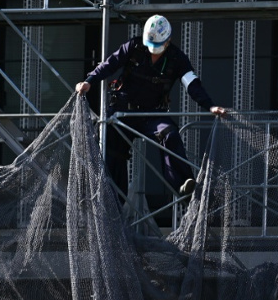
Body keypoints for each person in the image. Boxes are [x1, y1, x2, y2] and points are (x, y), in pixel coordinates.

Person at [76, 14, 226, 201]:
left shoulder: (177, 58)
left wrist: (210, 106)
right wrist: (89, 81)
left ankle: (183, 184)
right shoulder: (133, 47)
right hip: (123, 112)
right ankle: (113, 200)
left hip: (153, 114)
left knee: (169, 134)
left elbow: (192, 84)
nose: (154, 52)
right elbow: (109, 64)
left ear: (169, 40)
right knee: (111, 145)